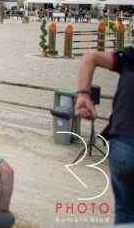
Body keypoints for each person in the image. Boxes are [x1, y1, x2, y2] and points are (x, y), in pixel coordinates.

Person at [75, 48, 134, 224]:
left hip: (123, 143)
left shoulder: (130, 57)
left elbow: (90, 56)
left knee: (125, 212)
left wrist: (83, 94)